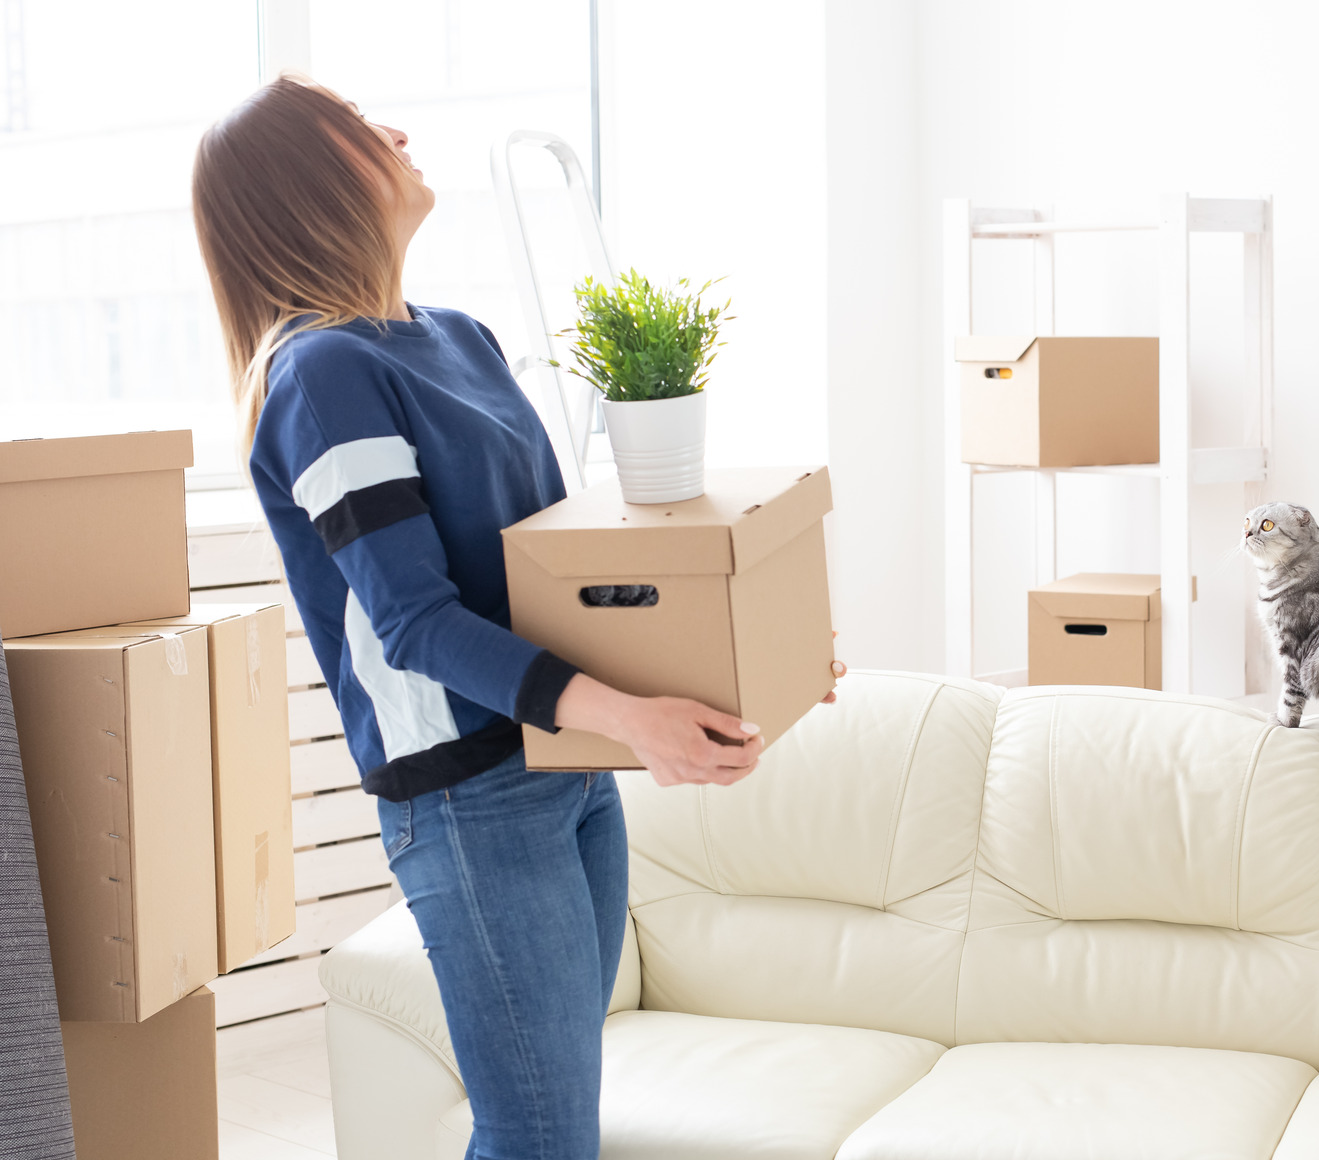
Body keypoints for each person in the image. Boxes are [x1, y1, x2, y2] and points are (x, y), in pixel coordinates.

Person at [191, 74, 840, 1160]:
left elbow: (565, 573)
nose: (394, 130)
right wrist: (630, 718)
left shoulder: (459, 337)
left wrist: (746, 656)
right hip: (468, 797)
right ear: (305, 185)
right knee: (537, 1133)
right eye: (357, 127)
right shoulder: (323, 374)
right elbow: (418, 623)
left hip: (562, 765)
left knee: (560, 1121)